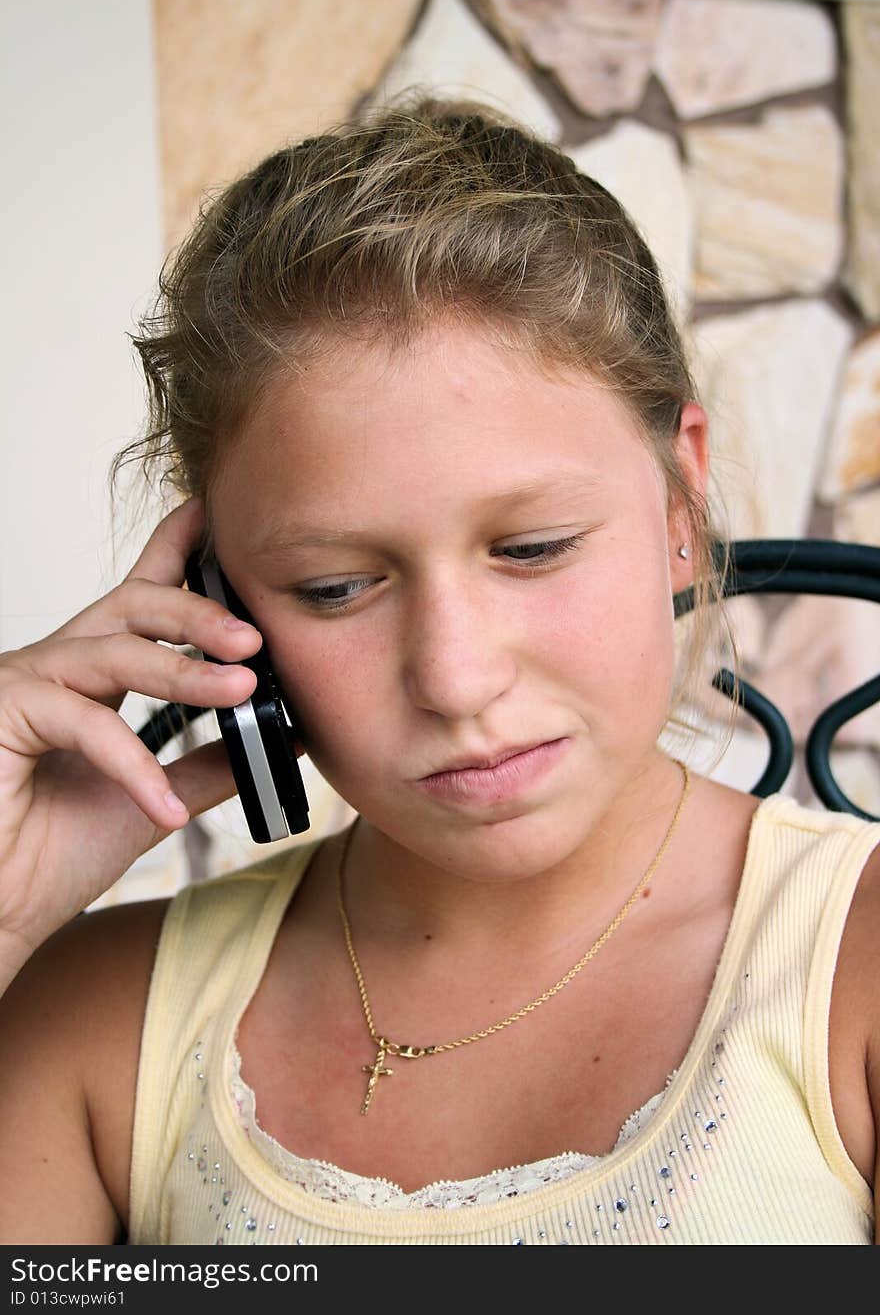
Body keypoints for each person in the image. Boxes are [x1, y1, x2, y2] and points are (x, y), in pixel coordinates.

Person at [0, 98, 877, 1247]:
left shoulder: (849, 973)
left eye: (531, 549)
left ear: (676, 501)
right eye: (333, 588)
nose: (456, 681)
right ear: (220, 605)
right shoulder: (95, 1020)